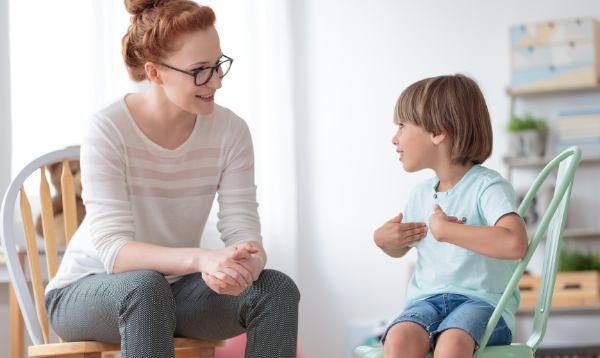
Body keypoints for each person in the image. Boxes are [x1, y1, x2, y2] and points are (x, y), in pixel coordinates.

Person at [43, 1, 299, 357]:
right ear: (155, 72)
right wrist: (202, 260)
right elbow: (115, 253)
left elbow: (244, 231)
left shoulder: (231, 132)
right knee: (146, 288)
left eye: (218, 65)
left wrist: (244, 264)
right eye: (199, 71)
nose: (217, 82)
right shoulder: (107, 128)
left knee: (276, 289)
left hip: (173, 293)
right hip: (87, 292)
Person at [374, 74, 528, 358]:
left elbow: (515, 244)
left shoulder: (487, 186)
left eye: (402, 126)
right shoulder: (420, 194)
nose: (394, 138)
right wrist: (385, 240)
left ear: (437, 132)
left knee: (452, 343)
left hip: (482, 304)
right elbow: (403, 248)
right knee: (397, 340)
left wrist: (448, 232)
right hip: (426, 303)